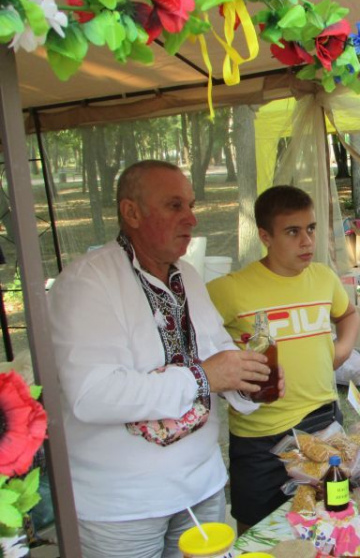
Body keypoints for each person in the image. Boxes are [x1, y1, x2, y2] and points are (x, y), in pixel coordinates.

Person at [48, 160, 280, 558]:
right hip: (123, 506)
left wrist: (249, 383)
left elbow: (214, 354)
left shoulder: (187, 274)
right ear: (131, 212)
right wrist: (204, 377)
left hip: (202, 486)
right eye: (175, 206)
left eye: (190, 205)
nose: (191, 218)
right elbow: (91, 394)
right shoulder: (87, 281)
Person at [207, 185, 360, 534]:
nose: (306, 241)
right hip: (260, 435)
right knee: (257, 528)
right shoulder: (229, 290)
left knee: (326, 518)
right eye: (292, 232)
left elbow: (348, 314)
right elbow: (197, 345)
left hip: (322, 420)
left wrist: (342, 351)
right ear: (265, 236)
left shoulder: (323, 277)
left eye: (311, 229)